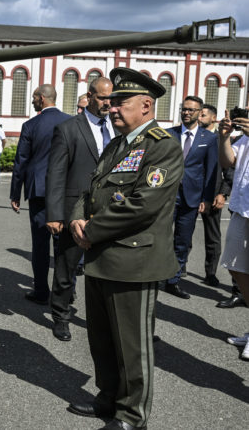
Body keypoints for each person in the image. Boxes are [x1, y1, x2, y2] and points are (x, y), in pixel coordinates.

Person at [68, 67, 183, 430]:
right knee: (101, 339)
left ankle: (133, 416)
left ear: (147, 105)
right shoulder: (118, 144)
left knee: (133, 345)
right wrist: (76, 218)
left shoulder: (162, 145)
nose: (112, 107)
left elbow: (144, 203)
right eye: (111, 101)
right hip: (101, 256)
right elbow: (92, 190)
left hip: (134, 259)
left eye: (121, 102)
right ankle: (109, 398)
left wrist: (92, 231)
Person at [45, 77, 114, 341]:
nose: (108, 103)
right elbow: (56, 173)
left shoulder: (118, 128)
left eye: (111, 98)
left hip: (108, 210)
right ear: (90, 96)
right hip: (74, 210)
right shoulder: (68, 128)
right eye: (102, 97)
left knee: (108, 267)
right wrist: (54, 214)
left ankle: (109, 319)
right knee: (66, 268)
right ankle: (61, 316)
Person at [10, 85, 71, 304]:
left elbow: (21, 162)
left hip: (39, 190)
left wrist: (15, 193)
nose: (33, 101)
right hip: (64, 191)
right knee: (63, 244)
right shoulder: (71, 122)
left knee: (40, 244)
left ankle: (41, 290)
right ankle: (65, 291)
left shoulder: (31, 125)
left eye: (35, 97)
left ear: (42, 99)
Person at [165, 96, 218, 299]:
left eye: (191, 110)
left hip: (191, 198)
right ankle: (157, 275)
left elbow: (211, 170)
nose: (186, 112)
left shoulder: (209, 139)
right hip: (168, 196)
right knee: (161, 237)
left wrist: (206, 198)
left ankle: (173, 280)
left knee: (182, 240)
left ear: (199, 112)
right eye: (184, 109)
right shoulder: (169, 134)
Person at [217, 107, 249, 360]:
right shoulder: (245, 137)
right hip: (241, 209)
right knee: (235, 267)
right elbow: (228, 161)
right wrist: (224, 136)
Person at [197, 104, 232, 286]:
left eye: (203, 115)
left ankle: (210, 273)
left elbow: (229, 170)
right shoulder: (193, 138)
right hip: (191, 193)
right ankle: (178, 269)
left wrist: (223, 193)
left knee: (212, 237)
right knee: (182, 234)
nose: (199, 117)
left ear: (213, 118)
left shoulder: (221, 140)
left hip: (212, 194)